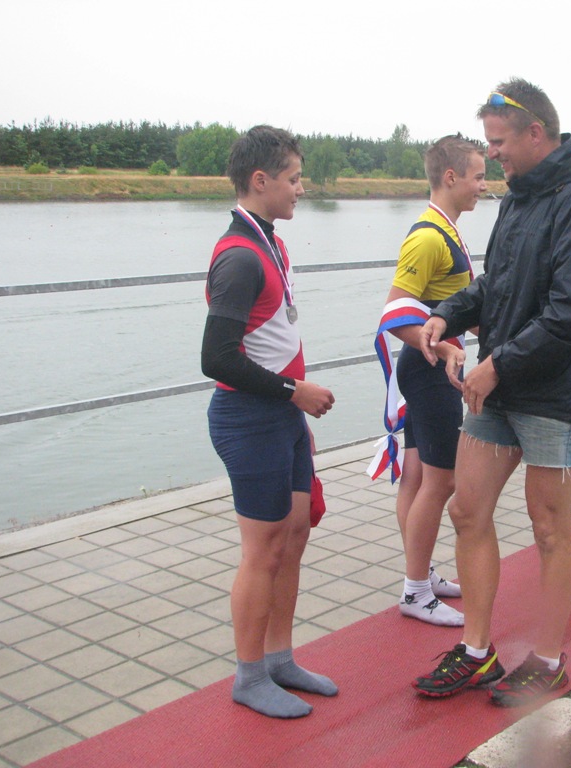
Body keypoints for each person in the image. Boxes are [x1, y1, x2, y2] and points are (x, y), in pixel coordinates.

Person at [413, 79, 571, 706]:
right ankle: (478, 652)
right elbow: (497, 284)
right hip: (503, 385)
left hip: (555, 393)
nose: (493, 154)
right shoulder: (520, 197)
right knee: (467, 510)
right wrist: (447, 313)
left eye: (499, 142)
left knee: (551, 527)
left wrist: (497, 365)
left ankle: (549, 660)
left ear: (536, 133)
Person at [201, 126, 338, 718]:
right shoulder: (239, 257)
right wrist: (294, 391)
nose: (301, 188)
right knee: (262, 550)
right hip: (249, 417)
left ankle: (280, 659)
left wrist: (293, 403)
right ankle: (249, 674)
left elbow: (272, 335)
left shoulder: (272, 243)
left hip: (282, 416)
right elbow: (216, 359)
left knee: (295, 533)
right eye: (293, 178)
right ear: (261, 181)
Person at [374, 135, 486, 626]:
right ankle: (416, 590)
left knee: (418, 478)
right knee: (441, 482)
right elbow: (393, 312)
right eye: (479, 177)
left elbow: (452, 305)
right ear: (451, 177)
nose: (484, 186)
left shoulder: (448, 230)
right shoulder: (428, 236)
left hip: (430, 366)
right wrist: (442, 348)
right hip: (429, 370)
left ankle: (420, 574)